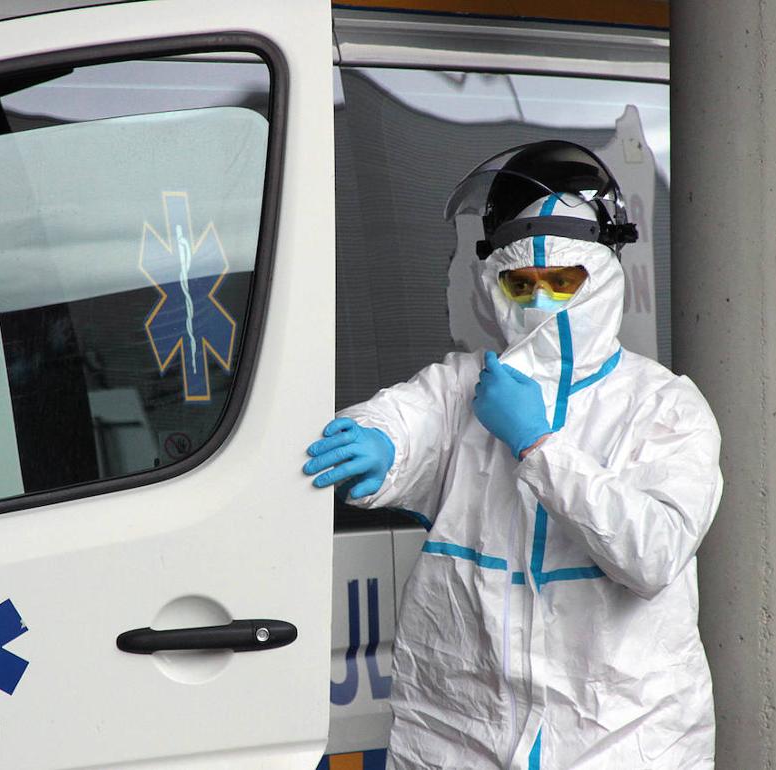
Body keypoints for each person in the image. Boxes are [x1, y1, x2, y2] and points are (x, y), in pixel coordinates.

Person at [303, 140, 722, 769]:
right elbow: (405, 416)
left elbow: (654, 551)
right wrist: (378, 440)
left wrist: (538, 446)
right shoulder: (462, 387)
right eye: (520, 282)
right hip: (463, 731)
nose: (538, 303)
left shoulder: (663, 406)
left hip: (623, 735)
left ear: (602, 277)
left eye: (562, 281)